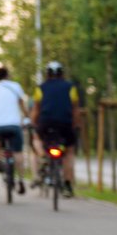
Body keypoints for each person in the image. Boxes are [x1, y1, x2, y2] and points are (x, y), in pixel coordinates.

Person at [31, 61, 80, 197]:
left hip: (46, 123)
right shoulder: (71, 88)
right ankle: (68, 186)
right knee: (69, 152)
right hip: (65, 123)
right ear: (62, 73)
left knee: (36, 138)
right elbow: (75, 110)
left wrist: (33, 123)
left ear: (47, 74)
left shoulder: (40, 88)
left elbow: (36, 109)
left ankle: (42, 156)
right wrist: (76, 125)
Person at [0, 67, 29, 177]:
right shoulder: (16, 86)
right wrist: (27, 117)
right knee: (18, 152)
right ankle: (21, 179)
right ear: (7, 75)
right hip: (14, 125)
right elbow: (22, 105)